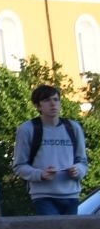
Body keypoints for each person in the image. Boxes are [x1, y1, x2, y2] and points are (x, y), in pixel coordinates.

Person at [14, 85, 88, 217]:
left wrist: (77, 170)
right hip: (43, 196)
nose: (53, 104)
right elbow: (19, 166)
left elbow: (82, 161)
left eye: (56, 99)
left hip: (71, 195)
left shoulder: (73, 127)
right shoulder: (27, 129)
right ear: (38, 106)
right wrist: (41, 174)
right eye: (47, 100)